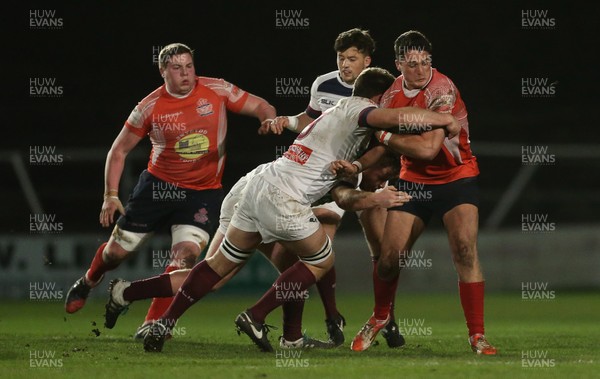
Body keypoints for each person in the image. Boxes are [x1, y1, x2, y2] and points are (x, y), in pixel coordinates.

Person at [102, 67, 459, 353]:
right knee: (320, 260)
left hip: (262, 187)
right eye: (388, 100)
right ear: (379, 97)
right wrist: (443, 119)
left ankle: (165, 322)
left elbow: (342, 188)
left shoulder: (339, 118)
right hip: (284, 196)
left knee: (218, 267)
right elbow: (401, 119)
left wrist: (371, 193)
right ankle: (256, 316)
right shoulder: (358, 109)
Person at [103, 153, 409, 350]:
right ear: (376, 164)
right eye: (384, 174)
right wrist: (331, 314)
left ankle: (126, 293)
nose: (382, 182)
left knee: (265, 268)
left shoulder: (345, 155)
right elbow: (325, 235)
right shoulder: (346, 175)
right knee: (306, 261)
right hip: (261, 199)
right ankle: (271, 326)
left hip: (255, 190)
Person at [63, 43, 277, 324]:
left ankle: (151, 324)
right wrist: (110, 195)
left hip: (201, 193)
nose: (186, 74)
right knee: (116, 254)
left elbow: (262, 105)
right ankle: (90, 280)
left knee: (185, 258)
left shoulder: (217, 89)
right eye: (177, 68)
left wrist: (268, 119)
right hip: (156, 189)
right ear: (163, 71)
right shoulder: (149, 106)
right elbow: (118, 151)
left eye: (189, 66)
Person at [348, 30, 497, 355]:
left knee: (465, 252)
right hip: (413, 182)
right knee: (388, 260)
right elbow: (379, 147)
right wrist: (357, 167)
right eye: (412, 64)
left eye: (425, 62)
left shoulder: (441, 90)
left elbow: (429, 149)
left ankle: (477, 335)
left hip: (457, 178)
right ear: (399, 64)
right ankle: (379, 318)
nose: (420, 70)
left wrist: (384, 136)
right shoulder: (389, 98)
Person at [269, 27, 404, 348]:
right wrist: (286, 121)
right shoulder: (324, 84)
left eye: (352, 59)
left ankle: (386, 318)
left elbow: (385, 138)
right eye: (341, 58)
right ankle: (331, 316)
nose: (345, 64)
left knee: (383, 252)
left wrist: (368, 166)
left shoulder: (381, 88)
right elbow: (310, 120)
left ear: (367, 61)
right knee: (317, 251)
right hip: (329, 175)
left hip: (366, 174)